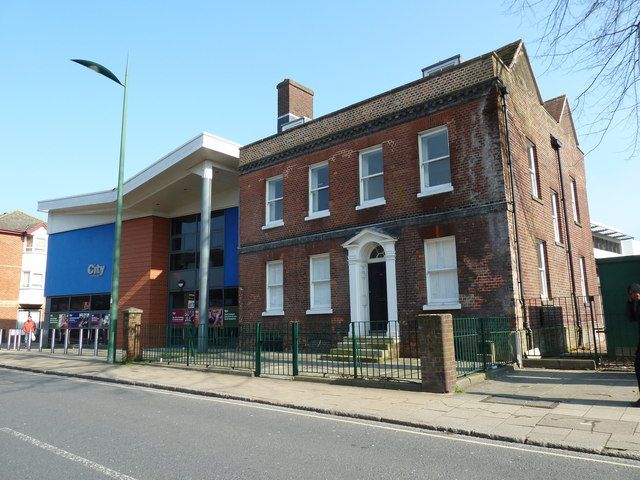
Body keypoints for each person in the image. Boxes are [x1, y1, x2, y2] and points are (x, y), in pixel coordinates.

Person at [626, 283, 640, 405]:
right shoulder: (638, 305)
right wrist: (629, 303)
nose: (634, 295)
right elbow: (631, 319)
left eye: (634, 292)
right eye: (631, 294)